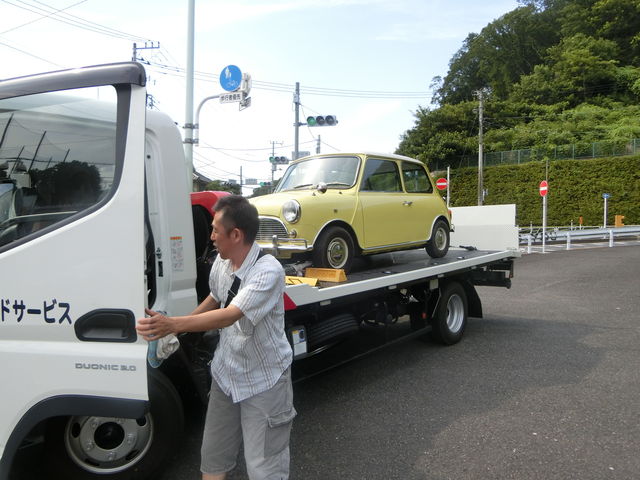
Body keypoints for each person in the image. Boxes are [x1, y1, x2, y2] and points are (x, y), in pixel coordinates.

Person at [136, 195, 295, 480]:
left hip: (265, 380)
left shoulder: (268, 271)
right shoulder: (222, 262)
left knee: (264, 468)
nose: (210, 237)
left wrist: (172, 324)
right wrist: (177, 330)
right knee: (213, 459)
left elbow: (230, 315)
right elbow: (215, 297)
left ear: (236, 235)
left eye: (215, 230)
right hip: (226, 373)